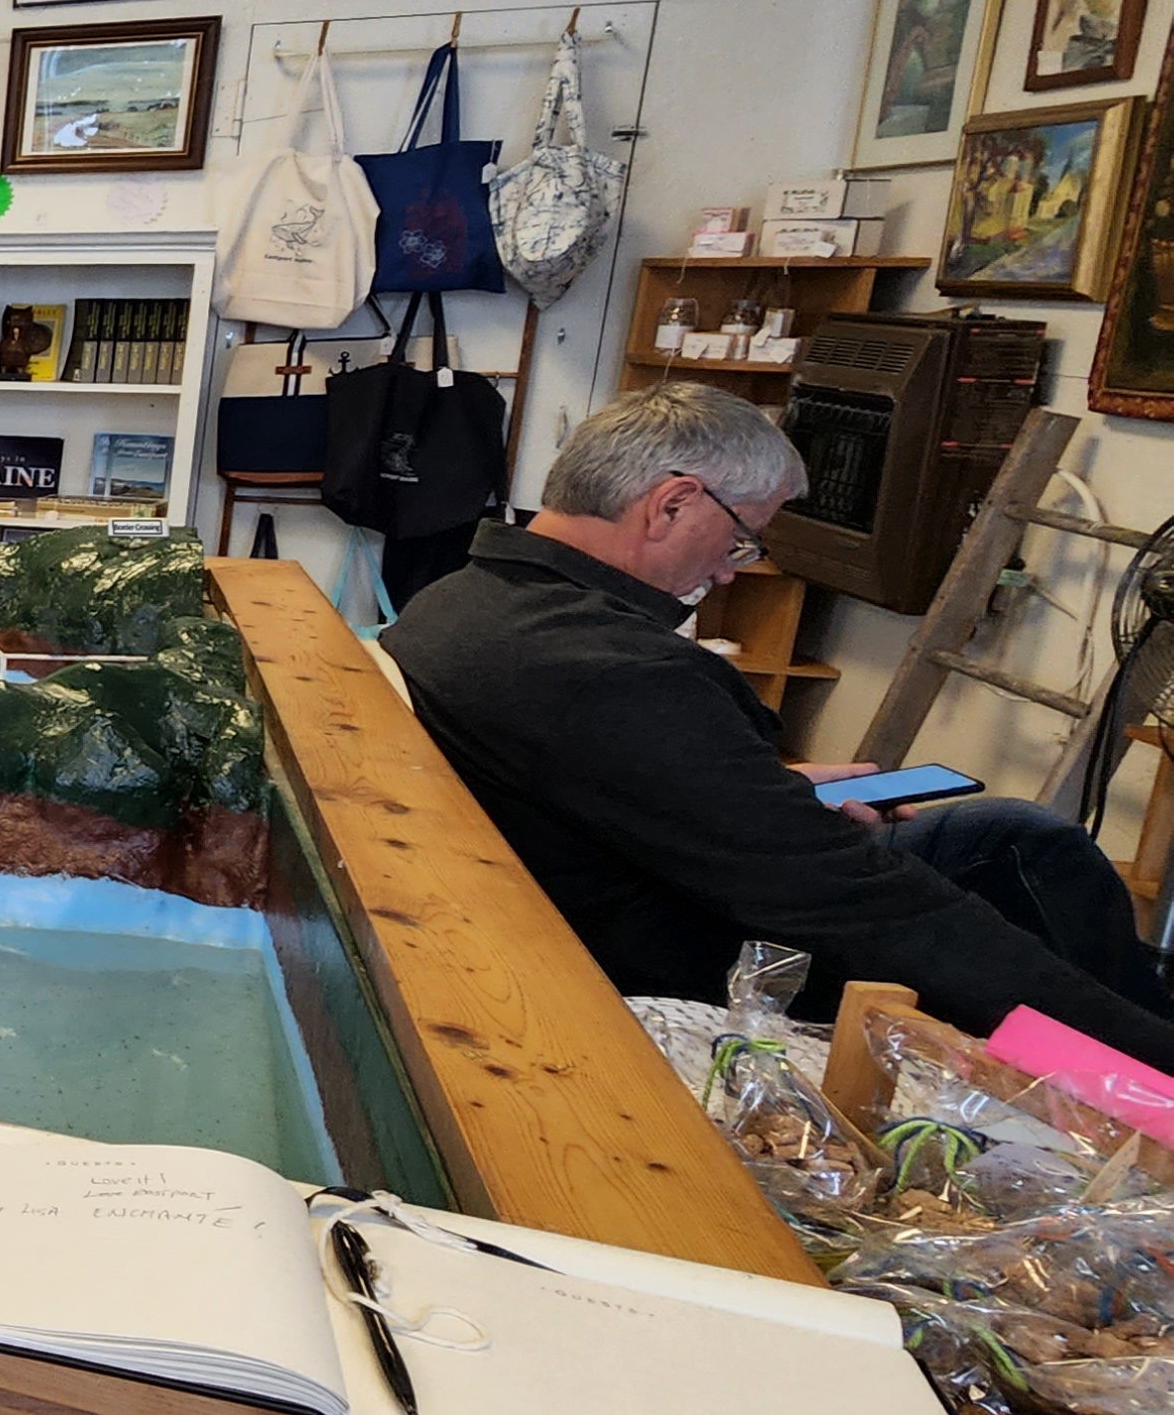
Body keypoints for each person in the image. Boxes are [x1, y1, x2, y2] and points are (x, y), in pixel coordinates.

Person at [380, 381, 1174, 1067]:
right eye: (739, 538)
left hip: (630, 871)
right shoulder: (611, 669)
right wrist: (1139, 1051)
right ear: (672, 503)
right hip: (699, 945)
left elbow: (603, 771)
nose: (730, 570)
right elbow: (856, 901)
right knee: (1004, 884)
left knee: (1017, 837)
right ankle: (1146, 1066)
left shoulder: (461, 600)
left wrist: (760, 788)